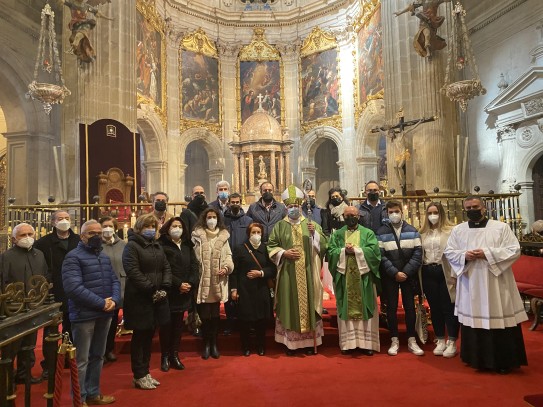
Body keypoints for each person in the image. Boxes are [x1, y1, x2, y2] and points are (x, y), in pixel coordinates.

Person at [444, 196, 528, 374]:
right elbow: (450, 252)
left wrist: (487, 253)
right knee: (473, 317)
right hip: (471, 282)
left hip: (496, 282)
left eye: (475, 206)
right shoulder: (458, 230)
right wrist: (465, 256)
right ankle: (476, 358)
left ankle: (503, 360)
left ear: (484, 208)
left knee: (499, 313)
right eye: (468, 208)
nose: (472, 210)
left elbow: (514, 249)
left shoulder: (500, 228)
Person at [62, 220, 120, 406]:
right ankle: (79, 399)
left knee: (98, 356)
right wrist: (101, 303)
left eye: (98, 233)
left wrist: (115, 300)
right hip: (84, 315)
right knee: (82, 360)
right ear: (82, 236)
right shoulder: (73, 257)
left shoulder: (103, 256)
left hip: (104, 313)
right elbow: (73, 288)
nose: (96, 236)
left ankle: (94, 393)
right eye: (91, 233)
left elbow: (115, 281)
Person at [268, 185, 327, 355]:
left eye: (296, 206)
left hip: (308, 271)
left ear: (301, 206)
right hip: (288, 272)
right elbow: (271, 246)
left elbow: (323, 246)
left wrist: (315, 234)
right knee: (289, 304)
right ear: (286, 207)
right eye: (290, 206)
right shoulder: (279, 226)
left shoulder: (311, 224)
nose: (293, 209)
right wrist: (283, 252)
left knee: (308, 303)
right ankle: (291, 344)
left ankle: (309, 343)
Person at [122, 213, 172, 390]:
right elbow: (133, 271)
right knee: (140, 336)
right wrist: (152, 289)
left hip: (157, 297)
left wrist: (165, 286)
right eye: (147, 227)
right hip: (140, 297)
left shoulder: (156, 245)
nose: (150, 230)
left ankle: (146, 372)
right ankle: (139, 374)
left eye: (153, 227)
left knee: (150, 336)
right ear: (139, 228)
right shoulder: (132, 246)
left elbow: (166, 266)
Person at [327, 207, 381, 355]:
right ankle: (348, 343)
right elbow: (331, 252)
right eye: (347, 215)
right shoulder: (338, 234)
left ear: (359, 216)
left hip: (364, 279)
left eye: (353, 215)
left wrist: (357, 251)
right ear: (343, 217)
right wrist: (343, 250)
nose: (350, 217)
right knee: (346, 307)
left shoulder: (367, 233)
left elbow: (374, 253)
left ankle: (367, 344)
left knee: (366, 307)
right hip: (345, 279)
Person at [0, 223, 47, 385]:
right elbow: (3, 281)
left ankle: (24, 373)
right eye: (22, 235)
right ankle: (7, 378)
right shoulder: (7, 257)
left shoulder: (39, 254)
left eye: (30, 234)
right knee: (12, 345)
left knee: (30, 344)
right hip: (14, 307)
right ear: (14, 239)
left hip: (34, 305)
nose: (27, 238)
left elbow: (44, 277)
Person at [376, 200, 424, 356]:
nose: (394, 214)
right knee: (391, 307)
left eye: (396, 211)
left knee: (409, 307)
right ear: (387, 214)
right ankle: (394, 338)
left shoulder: (412, 230)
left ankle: (411, 338)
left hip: (408, 276)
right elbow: (381, 256)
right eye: (391, 212)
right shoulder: (381, 232)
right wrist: (394, 273)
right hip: (391, 275)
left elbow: (418, 253)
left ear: (402, 212)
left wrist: (406, 272)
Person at [192, 208, 234, 360]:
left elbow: (228, 256)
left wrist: (226, 268)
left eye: (214, 217)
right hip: (203, 281)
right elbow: (192, 257)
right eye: (209, 217)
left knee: (215, 314)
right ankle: (206, 344)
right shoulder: (196, 236)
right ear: (204, 219)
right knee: (204, 314)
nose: (211, 220)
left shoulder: (223, 236)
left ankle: (214, 343)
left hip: (217, 280)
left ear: (218, 219)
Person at [158, 217, 199, 371]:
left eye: (180, 226)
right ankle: (164, 356)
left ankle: (175, 355)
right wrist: (178, 284)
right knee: (166, 326)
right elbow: (163, 267)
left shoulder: (188, 245)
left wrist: (190, 282)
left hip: (185, 291)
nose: (177, 229)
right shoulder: (162, 245)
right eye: (174, 226)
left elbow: (195, 265)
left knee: (178, 326)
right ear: (168, 228)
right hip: (170, 291)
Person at [419, 202, 459, 357]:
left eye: (435, 212)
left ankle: (452, 341)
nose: (432, 216)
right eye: (429, 213)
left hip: (446, 271)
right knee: (435, 307)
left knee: (448, 306)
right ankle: (440, 339)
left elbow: (456, 254)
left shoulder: (451, 231)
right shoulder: (422, 233)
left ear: (441, 213)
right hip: (428, 271)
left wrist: (455, 275)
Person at [231, 223, 276, 356]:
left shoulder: (266, 248)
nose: (256, 235)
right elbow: (234, 272)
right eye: (253, 232)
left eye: (258, 232)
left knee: (261, 321)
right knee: (245, 320)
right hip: (245, 290)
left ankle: (261, 346)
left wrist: (261, 273)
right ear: (248, 234)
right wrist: (234, 289)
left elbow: (273, 269)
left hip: (261, 289)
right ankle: (246, 347)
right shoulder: (240, 249)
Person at [34, 211, 81, 336]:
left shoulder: (79, 240)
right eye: (60, 218)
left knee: (71, 323)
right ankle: (50, 355)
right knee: (50, 324)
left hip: (75, 286)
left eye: (67, 218)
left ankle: (69, 351)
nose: (64, 221)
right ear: (53, 222)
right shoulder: (43, 243)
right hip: (53, 288)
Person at [223, 193, 253, 335]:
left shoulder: (248, 220)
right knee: (229, 293)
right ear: (228, 203)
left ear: (241, 202)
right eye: (232, 202)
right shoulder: (223, 220)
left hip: (242, 261)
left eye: (237, 202)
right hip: (227, 259)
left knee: (244, 292)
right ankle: (230, 322)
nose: (235, 204)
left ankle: (244, 322)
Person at [99, 216, 126, 363]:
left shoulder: (123, 244)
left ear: (115, 228)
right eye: (104, 226)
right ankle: (100, 351)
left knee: (113, 320)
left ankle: (109, 349)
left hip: (119, 286)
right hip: (102, 287)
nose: (107, 229)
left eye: (110, 226)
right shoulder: (96, 245)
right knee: (102, 322)